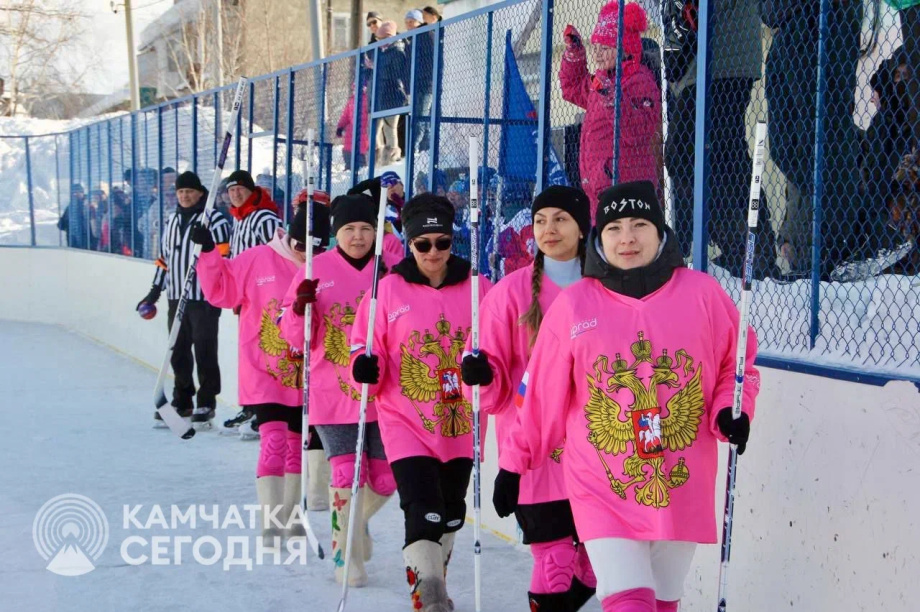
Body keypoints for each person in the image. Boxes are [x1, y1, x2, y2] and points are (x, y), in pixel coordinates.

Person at [491, 180, 759, 612]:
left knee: (662, 603)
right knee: (629, 602)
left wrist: (734, 408)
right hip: (602, 488)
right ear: (599, 236)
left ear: (660, 231)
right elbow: (540, 397)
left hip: (681, 483)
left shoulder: (703, 295)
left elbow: (738, 365)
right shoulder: (575, 306)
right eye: (614, 227)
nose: (627, 238)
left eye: (639, 225)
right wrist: (513, 464)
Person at [349, 193, 492, 610]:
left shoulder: (478, 288)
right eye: (423, 243)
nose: (433, 252)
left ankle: (435, 582)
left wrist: (488, 369)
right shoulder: (387, 291)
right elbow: (363, 344)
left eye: (442, 242)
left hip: (460, 424)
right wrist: (363, 366)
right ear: (409, 244)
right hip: (405, 421)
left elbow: (499, 344)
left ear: (453, 241)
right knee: (423, 511)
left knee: (450, 514)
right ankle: (429, 600)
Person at [471, 186, 597, 611]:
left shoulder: (606, 287)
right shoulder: (509, 294)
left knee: (598, 562)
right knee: (555, 564)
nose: (548, 229)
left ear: (582, 228)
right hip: (533, 454)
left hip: (599, 449)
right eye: (541, 220)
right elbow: (490, 379)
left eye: (561, 219)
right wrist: (479, 372)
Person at [279, 193, 402, 586]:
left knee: (385, 479)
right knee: (347, 475)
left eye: (366, 229)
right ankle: (343, 553)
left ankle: (354, 523)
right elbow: (295, 338)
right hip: (334, 394)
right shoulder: (316, 269)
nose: (359, 237)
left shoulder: (390, 273)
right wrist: (300, 309)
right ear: (336, 233)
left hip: (383, 394)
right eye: (349, 229)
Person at [194, 198, 329, 546]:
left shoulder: (323, 267)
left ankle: (290, 517)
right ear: (290, 237)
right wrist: (209, 253)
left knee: (296, 446)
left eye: (316, 248)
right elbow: (221, 290)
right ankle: (271, 522)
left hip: (305, 375)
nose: (306, 255)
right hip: (264, 370)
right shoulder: (258, 259)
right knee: (272, 442)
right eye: (301, 247)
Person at [665, 0, 777, 279]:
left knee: (689, 155)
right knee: (726, 156)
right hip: (715, 55)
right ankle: (751, 247)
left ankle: (746, 246)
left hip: (722, 55)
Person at [136, 171, 232, 428]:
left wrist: (209, 244)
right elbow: (164, 259)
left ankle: (207, 401)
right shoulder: (171, 220)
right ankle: (183, 399)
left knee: (204, 349)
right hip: (176, 296)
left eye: (189, 191)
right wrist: (154, 292)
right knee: (177, 349)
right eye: (180, 192)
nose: (185, 196)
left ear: (200, 193)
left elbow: (224, 259)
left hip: (204, 298)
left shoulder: (213, 220)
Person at [560, 2, 661, 207]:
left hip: (626, 186)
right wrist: (575, 53)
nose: (597, 54)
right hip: (599, 186)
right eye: (594, 47)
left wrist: (611, 97)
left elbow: (636, 131)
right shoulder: (604, 79)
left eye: (604, 48)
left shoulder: (640, 80)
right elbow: (571, 88)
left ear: (625, 47)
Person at [374, 21, 409, 165]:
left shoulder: (397, 51)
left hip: (394, 95)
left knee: (390, 129)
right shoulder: (383, 52)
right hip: (382, 96)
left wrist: (379, 70)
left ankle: (392, 158)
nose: (380, 42)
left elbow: (396, 74)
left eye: (382, 39)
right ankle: (380, 159)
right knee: (378, 130)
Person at [348, 171, 406, 259]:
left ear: (401, 185)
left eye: (393, 183)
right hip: (390, 251)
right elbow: (351, 193)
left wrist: (402, 204)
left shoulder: (412, 202)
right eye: (386, 186)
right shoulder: (380, 206)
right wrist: (377, 181)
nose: (390, 188)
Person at [226, 169, 282, 258]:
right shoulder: (237, 217)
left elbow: (278, 256)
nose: (236, 194)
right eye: (232, 190)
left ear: (251, 190)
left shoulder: (265, 218)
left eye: (240, 189)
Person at [337, 84, 371, 172]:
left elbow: (345, 116)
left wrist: (341, 127)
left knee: (359, 161)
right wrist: (340, 127)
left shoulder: (366, 99)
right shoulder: (352, 100)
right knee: (351, 157)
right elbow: (346, 116)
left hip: (362, 133)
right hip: (352, 134)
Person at [58, 183, 87, 249]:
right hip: (72, 240)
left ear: (82, 193)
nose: (75, 195)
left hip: (85, 240)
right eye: (74, 193)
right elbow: (62, 223)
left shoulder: (87, 205)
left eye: (77, 192)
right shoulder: (70, 207)